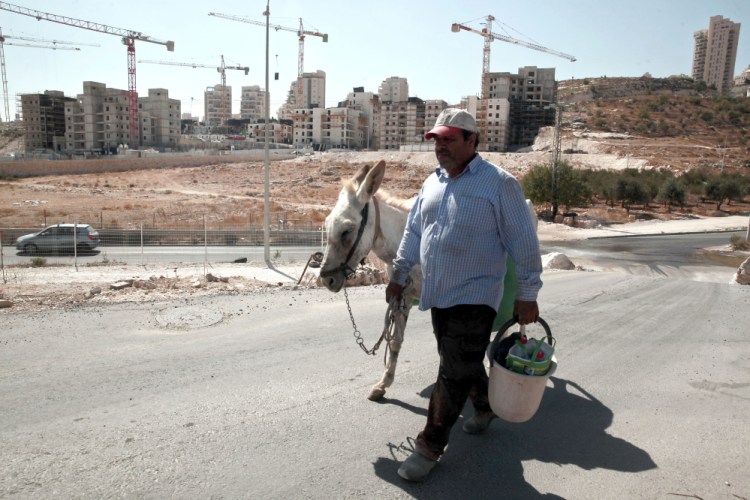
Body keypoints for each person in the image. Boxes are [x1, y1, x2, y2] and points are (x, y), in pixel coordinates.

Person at [385, 108, 543, 482]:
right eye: (437, 140)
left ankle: (429, 446)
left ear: (473, 141)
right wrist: (399, 272)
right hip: (439, 294)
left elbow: (524, 241)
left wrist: (527, 292)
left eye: (449, 139)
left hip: (477, 295)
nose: (441, 146)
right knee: (458, 361)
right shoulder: (432, 183)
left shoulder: (499, 183)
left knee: (451, 370)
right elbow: (413, 233)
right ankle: (485, 407)